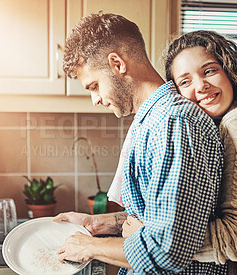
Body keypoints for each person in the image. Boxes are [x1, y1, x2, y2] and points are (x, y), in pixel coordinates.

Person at [53, 13, 228, 274]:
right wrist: (95, 224)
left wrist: (89, 246)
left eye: (94, 86)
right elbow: (156, 217)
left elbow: (166, 251)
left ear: (117, 64)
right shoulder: (152, 122)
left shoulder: (174, 124)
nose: (95, 99)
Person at [123, 30, 237, 275]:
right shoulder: (228, 123)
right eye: (185, 81)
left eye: (209, 71)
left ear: (230, 72)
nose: (201, 86)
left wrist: (151, 238)